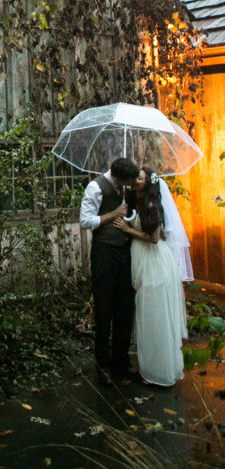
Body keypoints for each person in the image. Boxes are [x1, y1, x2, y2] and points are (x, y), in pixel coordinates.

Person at [113, 167, 188, 387]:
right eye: (135, 177)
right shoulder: (134, 202)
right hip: (142, 262)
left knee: (155, 317)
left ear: (148, 183)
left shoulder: (153, 205)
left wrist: (128, 231)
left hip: (155, 263)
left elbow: (154, 238)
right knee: (146, 316)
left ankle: (160, 372)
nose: (135, 180)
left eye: (139, 178)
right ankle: (150, 369)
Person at [80, 156, 139, 385]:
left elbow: (131, 216)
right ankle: (102, 367)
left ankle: (121, 361)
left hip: (125, 252)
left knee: (125, 308)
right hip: (104, 253)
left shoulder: (125, 190)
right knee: (104, 309)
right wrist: (113, 214)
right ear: (118, 177)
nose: (129, 186)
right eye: (128, 182)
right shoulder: (95, 187)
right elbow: (85, 221)